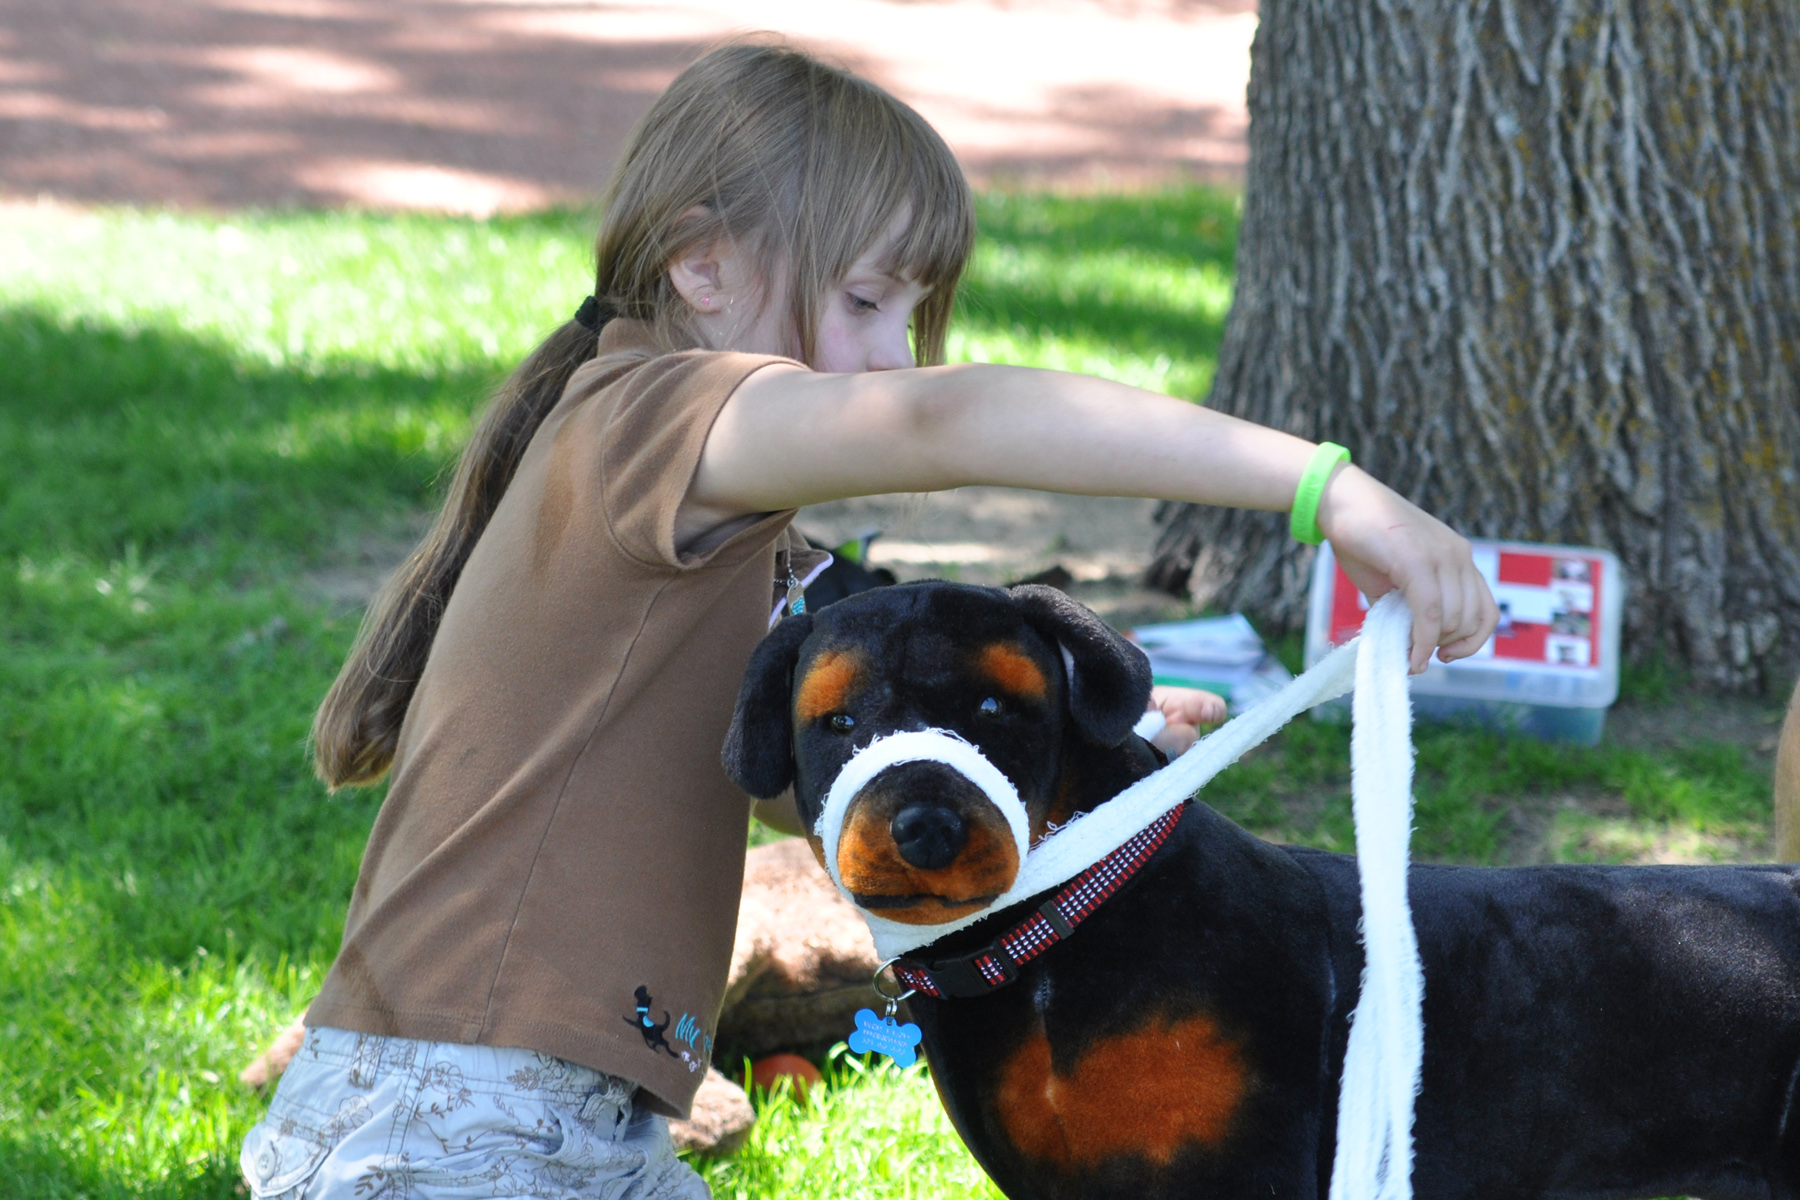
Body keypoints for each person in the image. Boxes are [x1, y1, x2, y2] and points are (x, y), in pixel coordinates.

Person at [240, 40, 1498, 1200]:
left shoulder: (719, 527)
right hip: (462, 1116)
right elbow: (944, 423)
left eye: (909, 317)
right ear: (704, 265)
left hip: (550, 1111)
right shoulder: (648, 415)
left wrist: (1050, 763)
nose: (895, 355)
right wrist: (1329, 490)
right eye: (864, 302)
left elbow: (807, 792)